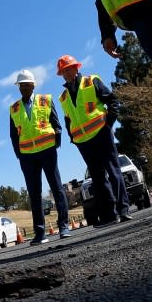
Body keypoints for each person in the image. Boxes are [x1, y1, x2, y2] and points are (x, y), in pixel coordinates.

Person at [56, 55, 130, 226]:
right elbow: (68, 120)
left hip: (101, 134)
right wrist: (73, 138)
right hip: (83, 142)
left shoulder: (92, 81)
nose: (66, 73)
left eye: (69, 69)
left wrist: (108, 125)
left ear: (76, 68)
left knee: (113, 171)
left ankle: (123, 209)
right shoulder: (63, 97)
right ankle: (110, 216)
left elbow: (113, 101)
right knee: (98, 178)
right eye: (63, 71)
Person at [8, 69, 71, 245]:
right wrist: (19, 155)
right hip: (27, 156)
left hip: (47, 151)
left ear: (33, 85)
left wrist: (55, 144)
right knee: (34, 195)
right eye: (21, 86)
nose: (23, 88)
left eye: (26, 85)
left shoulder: (46, 100)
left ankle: (64, 226)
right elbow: (14, 135)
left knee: (57, 188)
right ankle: (40, 232)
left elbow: (57, 126)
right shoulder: (14, 109)